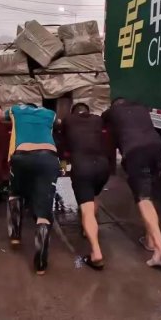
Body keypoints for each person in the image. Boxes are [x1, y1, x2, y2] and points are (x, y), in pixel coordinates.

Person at [102, 97, 161, 268]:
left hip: (135, 152)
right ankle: (150, 241)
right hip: (158, 148)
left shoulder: (110, 113)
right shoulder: (141, 108)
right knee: (150, 193)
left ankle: (160, 246)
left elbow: (105, 136)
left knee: (143, 198)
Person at [0, 102, 60, 275]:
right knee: (44, 211)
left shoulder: (16, 110)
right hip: (49, 159)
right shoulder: (49, 114)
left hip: (22, 158)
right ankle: (41, 264)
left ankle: (15, 235)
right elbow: (59, 123)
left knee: (15, 192)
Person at [59, 103, 112, 270]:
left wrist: (63, 165)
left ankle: (96, 253)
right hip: (103, 166)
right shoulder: (97, 120)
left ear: (73, 112)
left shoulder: (68, 120)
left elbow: (62, 145)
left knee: (87, 209)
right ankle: (86, 228)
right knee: (94, 196)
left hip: (83, 166)